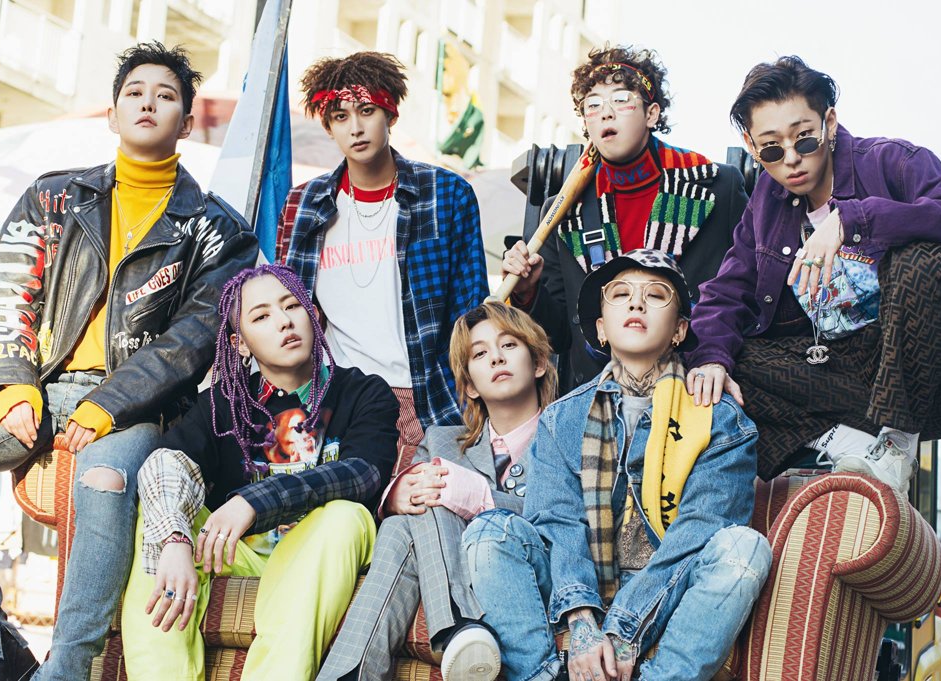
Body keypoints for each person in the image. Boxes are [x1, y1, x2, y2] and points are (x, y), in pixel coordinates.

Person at [0, 42, 258, 681]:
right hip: (43, 386)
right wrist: (13, 383)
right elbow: (5, 285)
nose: (148, 103)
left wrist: (109, 403)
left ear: (186, 121)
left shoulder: (221, 231)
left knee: (104, 483)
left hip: (138, 409)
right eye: (135, 92)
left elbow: (193, 338)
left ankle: (66, 670)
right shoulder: (53, 198)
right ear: (113, 113)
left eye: (166, 95)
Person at [686, 56, 941, 492]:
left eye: (805, 139)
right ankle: (851, 444)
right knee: (717, 365)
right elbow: (728, 291)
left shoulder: (891, 161)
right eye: (772, 149)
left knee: (918, 259)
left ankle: (896, 447)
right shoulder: (767, 202)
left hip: (934, 375)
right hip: (843, 381)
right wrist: (710, 359)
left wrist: (855, 219)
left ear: (829, 123)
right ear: (752, 147)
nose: (792, 159)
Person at [464, 250, 771, 681]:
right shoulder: (561, 419)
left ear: (680, 330)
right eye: (621, 294)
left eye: (656, 295)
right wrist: (583, 624)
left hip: (670, 587)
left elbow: (697, 533)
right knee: (489, 531)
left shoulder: (719, 419)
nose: (637, 303)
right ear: (601, 329)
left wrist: (625, 629)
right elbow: (557, 523)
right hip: (582, 582)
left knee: (745, 546)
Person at [120, 264, 400, 680]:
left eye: (292, 306)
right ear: (241, 343)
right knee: (160, 516)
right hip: (238, 554)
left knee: (346, 515)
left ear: (313, 315)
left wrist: (254, 501)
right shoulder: (224, 402)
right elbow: (167, 462)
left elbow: (364, 475)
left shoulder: (363, 392)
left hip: (320, 555)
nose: (284, 321)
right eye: (262, 316)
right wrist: (174, 539)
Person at [319, 301, 558, 681]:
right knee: (413, 507)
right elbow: (415, 500)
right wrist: (394, 495)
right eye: (480, 354)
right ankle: (355, 673)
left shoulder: (568, 430)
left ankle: (456, 625)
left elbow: (566, 524)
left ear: (539, 363)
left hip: (532, 569)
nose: (496, 358)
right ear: (470, 386)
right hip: (447, 558)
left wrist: (480, 498)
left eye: (509, 345)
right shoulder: (442, 440)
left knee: (437, 486)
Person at [275, 50, 489, 460]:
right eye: (340, 117)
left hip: (428, 395)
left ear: (390, 114)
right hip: (337, 396)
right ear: (328, 126)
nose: (355, 128)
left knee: (430, 498)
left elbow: (472, 311)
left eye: (367, 111)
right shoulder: (303, 205)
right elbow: (289, 305)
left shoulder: (445, 194)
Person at [500, 45, 748, 390]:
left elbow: (747, 289)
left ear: (651, 113)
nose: (606, 113)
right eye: (593, 105)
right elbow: (560, 336)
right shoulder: (564, 211)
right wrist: (528, 293)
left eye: (620, 100)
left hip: (695, 384)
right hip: (599, 392)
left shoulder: (717, 187)